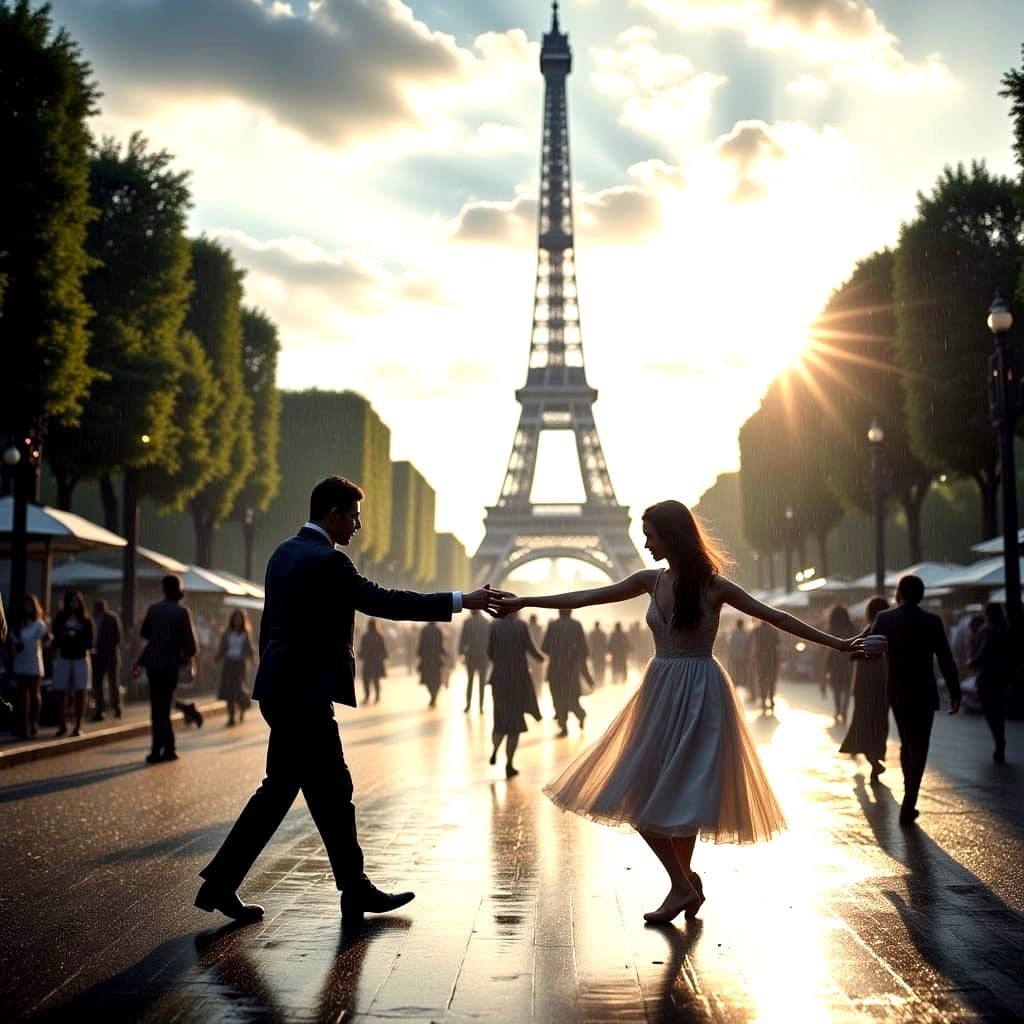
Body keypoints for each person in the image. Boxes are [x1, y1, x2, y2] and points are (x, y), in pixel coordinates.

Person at [495, 499, 862, 924]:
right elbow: (590, 595)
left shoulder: (713, 585)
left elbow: (775, 617)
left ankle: (681, 886)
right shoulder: (651, 581)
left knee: (678, 795)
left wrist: (839, 645)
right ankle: (682, 883)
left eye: (651, 535)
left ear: (671, 536)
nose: (646, 543)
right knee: (641, 792)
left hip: (699, 693)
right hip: (663, 691)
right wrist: (525, 600)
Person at [195, 475, 507, 924]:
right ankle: (348, 889)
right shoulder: (330, 563)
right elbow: (387, 602)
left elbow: (270, 627)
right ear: (334, 514)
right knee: (328, 790)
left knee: (298, 790)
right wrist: (463, 599)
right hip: (305, 694)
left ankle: (230, 884)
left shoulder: (282, 553)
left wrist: (269, 677)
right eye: (354, 516)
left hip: (282, 688)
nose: (358, 525)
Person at [869, 574, 960, 825]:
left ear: (899, 593)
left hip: (897, 689)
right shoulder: (931, 621)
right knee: (919, 743)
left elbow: (872, 651)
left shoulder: (885, 618)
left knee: (906, 740)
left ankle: (908, 794)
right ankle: (910, 799)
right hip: (924, 690)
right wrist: (955, 691)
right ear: (921, 595)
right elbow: (945, 657)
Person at [132, 574, 200, 763]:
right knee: (165, 706)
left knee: (157, 707)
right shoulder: (181, 612)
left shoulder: (154, 609)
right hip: (170, 665)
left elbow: (145, 632)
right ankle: (168, 748)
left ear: (163, 589)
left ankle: (157, 748)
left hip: (153, 664)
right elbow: (191, 645)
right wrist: (185, 656)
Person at [486, 610, 544, 777]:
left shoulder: (494, 626)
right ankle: (509, 764)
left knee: (499, 720)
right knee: (515, 725)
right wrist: (541, 658)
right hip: (518, 680)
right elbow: (531, 648)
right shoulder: (521, 626)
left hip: (499, 680)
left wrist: (501, 661)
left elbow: (489, 652)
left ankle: (495, 749)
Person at [839, 596, 890, 781]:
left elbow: (854, 654)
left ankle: (873, 760)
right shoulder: (891, 632)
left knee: (864, 723)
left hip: (865, 686)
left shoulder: (868, 630)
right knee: (879, 724)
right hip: (884, 685)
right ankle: (875, 757)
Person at [968, 602, 1013, 763]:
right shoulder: (1006, 629)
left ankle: (998, 738)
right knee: (999, 710)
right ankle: (1000, 737)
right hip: (1002, 677)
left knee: (990, 710)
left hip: (986, 676)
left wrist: (973, 662)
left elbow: (982, 651)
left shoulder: (986, 630)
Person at [542, 609, 591, 737]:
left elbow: (544, 647)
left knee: (558, 698)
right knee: (572, 698)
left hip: (555, 670)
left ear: (559, 612)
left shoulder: (553, 626)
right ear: (570, 612)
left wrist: (557, 652)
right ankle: (581, 715)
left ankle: (563, 726)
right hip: (571, 670)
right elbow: (584, 650)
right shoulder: (576, 625)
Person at [51, 590, 93, 737]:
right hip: (64, 656)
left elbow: (90, 641)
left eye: (76, 601)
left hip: (80, 657)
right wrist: (65, 637)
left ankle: (78, 725)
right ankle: (62, 724)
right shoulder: (61, 619)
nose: (73, 604)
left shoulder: (86, 620)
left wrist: (77, 639)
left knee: (80, 691)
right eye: (71, 601)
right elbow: (55, 636)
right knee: (61, 691)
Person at [11, 594, 51, 737]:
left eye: (29, 605)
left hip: (34, 661)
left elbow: (46, 640)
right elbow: (12, 641)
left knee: (34, 694)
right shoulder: (17, 624)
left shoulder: (39, 624)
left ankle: (34, 722)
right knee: (21, 695)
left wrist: (47, 638)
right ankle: (22, 724)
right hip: (20, 660)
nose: (27, 608)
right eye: (25, 605)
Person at [216, 610, 256, 725]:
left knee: (239, 690)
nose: (237, 621)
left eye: (239, 619)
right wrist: (217, 657)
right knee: (229, 691)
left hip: (240, 665)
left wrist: (253, 660)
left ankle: (243, 706)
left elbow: (250, 649)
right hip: (229, 664)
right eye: (235, 619)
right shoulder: (227, 633)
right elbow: (222, 648)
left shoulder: (245, 633)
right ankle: (231, 717)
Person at [90, 599, 123, 721]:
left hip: (110, 656)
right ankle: (100, 709)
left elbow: (117, 637)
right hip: (98, 656)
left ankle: (116, 707)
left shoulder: (111, 618)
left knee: (113, 683)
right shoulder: (93, 619)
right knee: (98, 684)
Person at [825, 606, 857, 724]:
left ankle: (838, 710)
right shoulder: (852, 627)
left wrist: (826, 666)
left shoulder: (832, 627)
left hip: (835, 662)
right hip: (849, 662)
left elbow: (829, 649)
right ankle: (844, 711)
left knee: (837, 689)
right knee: (846, 689)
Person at [458, 608, 490, 713]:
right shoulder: (486, 622)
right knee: (482, 682)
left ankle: (468, 705)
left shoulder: (467, 622)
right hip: (483, 656)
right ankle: (481, 707)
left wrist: (461, 653)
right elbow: (490, 640)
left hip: (471, 656)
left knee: (470, 681)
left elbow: (462, 639)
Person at [357, 618, 388, 705]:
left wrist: (360, 655)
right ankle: (377, 696)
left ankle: (367, 696)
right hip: (376, 662)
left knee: (366, 680)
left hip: (368, 661)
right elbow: (384, 650)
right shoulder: (379, 636)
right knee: (376, 680)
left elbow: (362, 650)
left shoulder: (365, 636)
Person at [751, 619, 779, 714]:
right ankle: (771, 700)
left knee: (761, 680)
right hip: (772, 660)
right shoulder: (774, 631)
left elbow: (753, 646)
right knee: (771, 681)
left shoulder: (756, 631)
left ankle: (764, 701)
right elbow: (778, 645)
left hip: (761, 660)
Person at [417, 621, 446, 708]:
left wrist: (419, 653)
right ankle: (434, 696)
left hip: (427, 659)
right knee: (436, 680)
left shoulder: (424, 630)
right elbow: (440, 645)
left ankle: (432, 696)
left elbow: (421, 644)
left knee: (428, 679)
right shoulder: (438, 630)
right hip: (436, 659)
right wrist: (444, 653)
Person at [726, 619, 752, 698]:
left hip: (735, 658)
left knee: (735, 674)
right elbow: (748, 646)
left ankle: (734, 691)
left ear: (737, 625)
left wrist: (730, 656)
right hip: (744, 658)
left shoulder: (733, 634)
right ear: (742, 625)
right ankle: (748, 690)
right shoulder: (746, 634)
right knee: (745, 674)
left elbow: (730, 646)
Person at [527, 614, 545, 695]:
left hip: (529, 657)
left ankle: (532, 693)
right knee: (538, 677)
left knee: (532, 677)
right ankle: (539, 693)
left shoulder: (528, 628)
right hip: (538, 656)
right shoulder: (539, 629)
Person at [588, 621, 608, 686]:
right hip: (601, 654)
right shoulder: (602, 634)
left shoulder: (592, 634)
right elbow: (605, 644)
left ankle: (597, 681)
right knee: (601, 668)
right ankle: (601, 682)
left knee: (596, 668)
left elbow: (590, 644)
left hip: (595, 654)